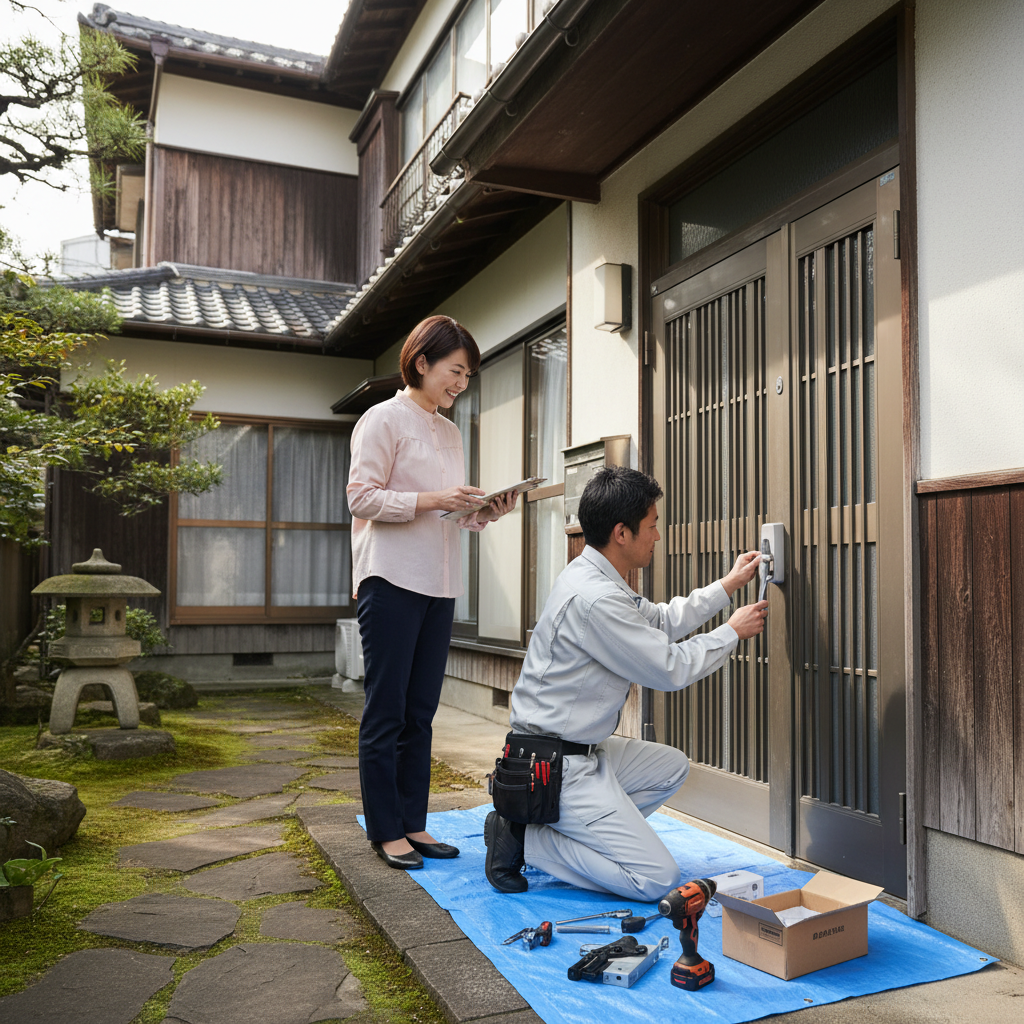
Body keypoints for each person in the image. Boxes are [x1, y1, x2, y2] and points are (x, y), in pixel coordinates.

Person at [484, 466, 767, 899]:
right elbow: (669, 667)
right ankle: (526, 837)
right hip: (555, 765)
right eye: (652, 527)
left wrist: (728, 585)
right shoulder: (595, 599)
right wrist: (732, 632)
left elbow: (660, 620)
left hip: (580, 749)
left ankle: (565, 827)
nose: (657, 536)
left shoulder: (595, 577)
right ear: (622, 532)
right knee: (655, 878)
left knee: (670, 767)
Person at [347, 315, 517, 870]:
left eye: (467, 375)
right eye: (455, 371)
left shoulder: (450, 431)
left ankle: (414, 824)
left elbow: (450, 515)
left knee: (420, 712)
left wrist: (483, 512)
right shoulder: (381, 419)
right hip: (391, 578)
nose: (462, 383)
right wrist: (431, 497)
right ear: (421, 363)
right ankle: (385, 830)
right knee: (387, 710)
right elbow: (361, 499)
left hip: (439, 583)